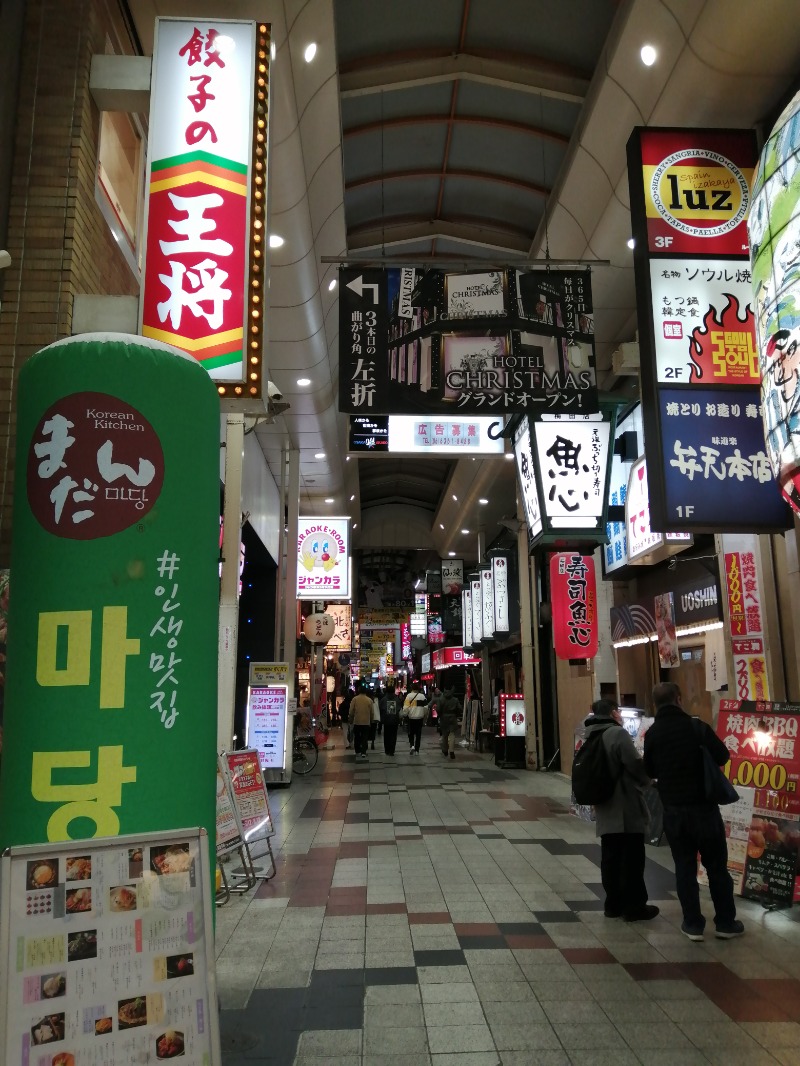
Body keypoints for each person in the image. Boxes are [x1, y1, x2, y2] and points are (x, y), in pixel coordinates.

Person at [643, 682, 743, 941]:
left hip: (674, 812)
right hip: (705, 810)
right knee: (717, 867)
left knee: (684, 868)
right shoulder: (697, 727)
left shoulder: (653, 734)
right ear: (678, 698)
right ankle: (725, 923)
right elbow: (722, 756)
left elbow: (650, 771)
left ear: (656, 704)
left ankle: (693, 924)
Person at [583, 698, 658, 922]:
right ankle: (634, 907)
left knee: (611, 856)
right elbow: (634, 764)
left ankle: (612, 904)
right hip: (624, 803)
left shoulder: (591, 734)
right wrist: (649, 780)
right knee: (632, 858)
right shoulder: (617, 734)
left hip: (604, 804)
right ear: (614, 713)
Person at [348, 681, 374, 762]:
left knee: (357, 737)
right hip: (366, 722)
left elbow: (351, 711)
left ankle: (357, 751)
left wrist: (351, 719)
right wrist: (371, 720)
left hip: (357, 721)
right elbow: (372, 712)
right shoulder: (369, 700)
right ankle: (363, 752)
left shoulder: (355, 699)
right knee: (364, 737)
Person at [402, 681, 428, 755]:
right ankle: (417, 750)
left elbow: (406, 707)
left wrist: (404, 714)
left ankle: (412, 745)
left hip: (411, 718)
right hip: (420, 718)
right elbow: (426, 707)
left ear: (412, 688)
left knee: (411, 733)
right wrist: (424, 715)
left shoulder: (409, 696)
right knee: (418, 734)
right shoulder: (422, 696)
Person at [438, 688, 461, 760]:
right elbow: (459, 709)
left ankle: (445, 750)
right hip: (453, 718)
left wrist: (440, 715)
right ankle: (451, 750)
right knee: (452, 734)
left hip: (444, 718)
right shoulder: (455, 699)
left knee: (445, 735)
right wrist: (456, 715)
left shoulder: (441, 699)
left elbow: (438, 709)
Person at [380, 683, 401, 755]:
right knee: (393, 735)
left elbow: (381, 709)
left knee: (386, 735)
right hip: (395, 720)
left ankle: (387, 750)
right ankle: (392, 750)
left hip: (386, 720)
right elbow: (399, 709)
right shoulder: (397, 699)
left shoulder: (383, 699)